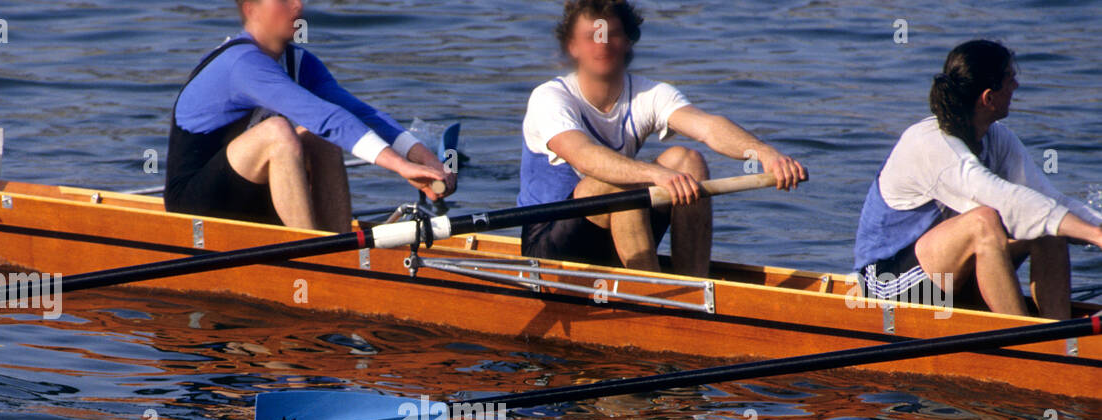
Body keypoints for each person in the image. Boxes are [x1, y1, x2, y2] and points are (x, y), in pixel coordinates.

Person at [517, 0, 805, 275]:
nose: (601, 45)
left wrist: (763, 153)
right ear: (573, 46)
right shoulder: (550, 98)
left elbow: (708, 126)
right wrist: (655, 174)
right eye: (592, 36)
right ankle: (653, 300)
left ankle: (693, 289)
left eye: (611, 34)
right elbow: (583, 155)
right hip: (549, 245)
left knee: (687, 161)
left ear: (628, 42)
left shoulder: (648, 94)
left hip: (620, 228)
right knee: (618, 185)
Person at [854, 39, 1102, 319]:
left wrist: (1098, 230)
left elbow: (1048, 200)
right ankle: (1026, 343)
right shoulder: (928, 144)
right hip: (886, 285)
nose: (1017, 87)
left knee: (1051, 227)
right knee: (984, 221)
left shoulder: (998, 139)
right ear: (988, 97)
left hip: (949, 276)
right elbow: (1004, 199)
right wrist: (1095, 236)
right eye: (1010, 79)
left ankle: (1060, 336)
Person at [165, 0, 452, 232]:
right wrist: (400, 166)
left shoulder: (301, 63)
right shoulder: (241, 65)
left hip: (252, 196)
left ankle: (337, 248)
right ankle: (312, 262)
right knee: (278, 133)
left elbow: (360, 114)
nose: (298, 6)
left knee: (318, 137)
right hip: (196, 206)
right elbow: (325, 116)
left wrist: (425, 159)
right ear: (251, 9)